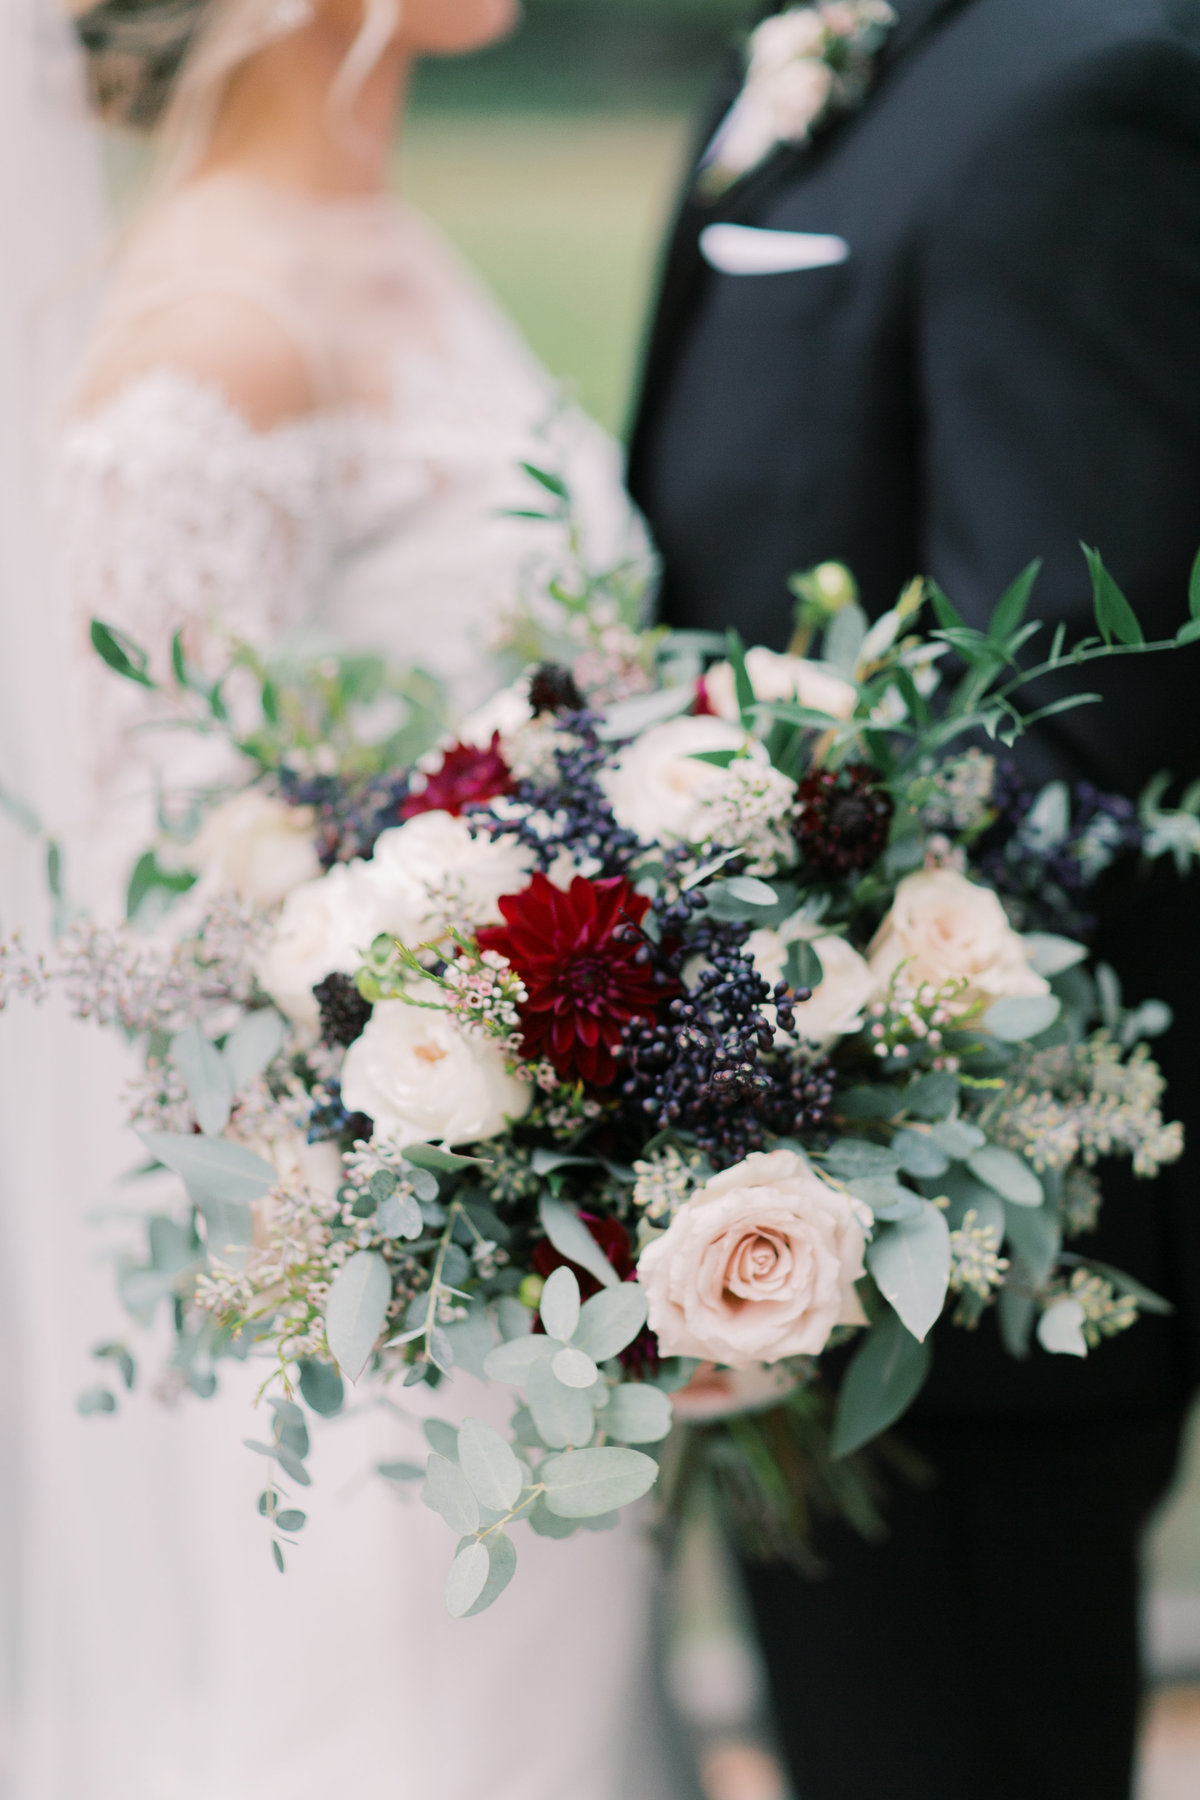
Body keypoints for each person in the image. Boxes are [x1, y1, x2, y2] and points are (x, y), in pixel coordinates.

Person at [0, 4, 676, 1798]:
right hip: (384, 1285)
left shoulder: (384, 230)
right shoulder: (217, 330)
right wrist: (464, 1067)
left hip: (542, 1250)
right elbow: (152, 881)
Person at [629, 1, 1200, 1797]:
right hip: (742, 1179)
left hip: (958, 1250)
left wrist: (748, 1084)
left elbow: (1067, 730)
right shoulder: (799, 65)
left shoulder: (1095, 82)